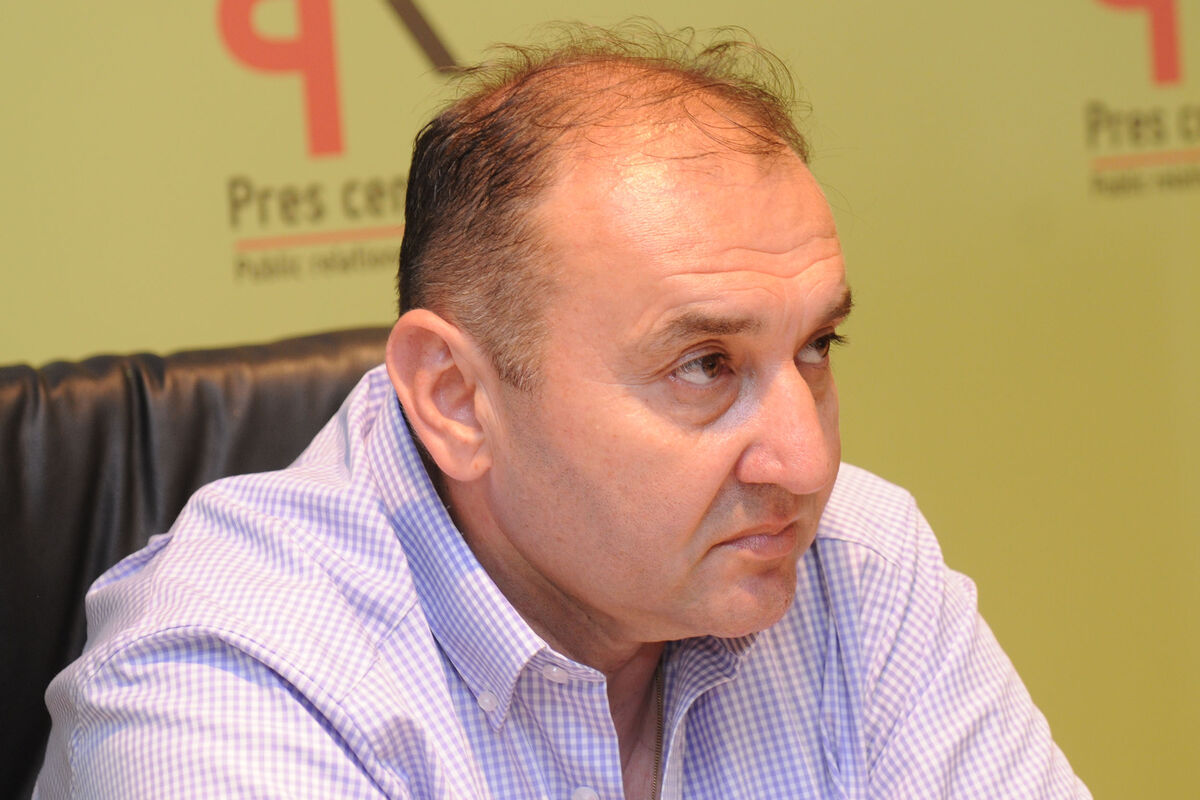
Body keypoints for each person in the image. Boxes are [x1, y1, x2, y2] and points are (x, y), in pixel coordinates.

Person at [34, 23, 1089, 799]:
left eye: (815, 348)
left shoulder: (861, 567)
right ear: (457, 399)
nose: (806, 463)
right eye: (705, 365)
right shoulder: (226, 681)